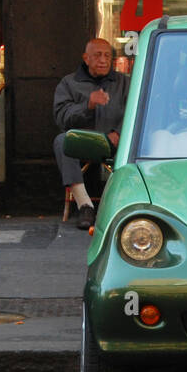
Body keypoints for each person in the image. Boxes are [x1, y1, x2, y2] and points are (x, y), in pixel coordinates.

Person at [53, 37, 128, 229]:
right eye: (97, 55)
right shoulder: (69, 83)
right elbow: (62, 118)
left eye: (107, 56)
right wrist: (88, 105)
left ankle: (125, 205)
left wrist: (119, 132)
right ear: (86, 58)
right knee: (62, 141)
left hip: (118, 142)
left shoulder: (124, 82)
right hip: (84, 142)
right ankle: (85, 205)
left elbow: (138, 109)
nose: (103, 60)